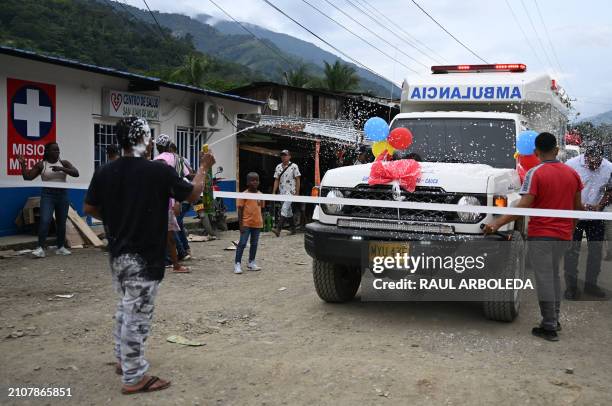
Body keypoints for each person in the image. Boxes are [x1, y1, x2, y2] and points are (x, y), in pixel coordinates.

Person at [84, 116, 214, 394]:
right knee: (137, 314)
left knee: (125, 308)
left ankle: (123, 360)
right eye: (150, 135)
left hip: (119, 255)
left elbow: (90, 207)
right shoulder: (157, 171)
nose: (153, 140)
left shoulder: (104, 171)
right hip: (144, 256)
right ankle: (134, 377)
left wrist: (118, 218)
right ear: (143, 139)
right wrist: (204, 167)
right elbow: (193, 194)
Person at [483, 132, 582, 342]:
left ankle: (549, 326)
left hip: (542, 237)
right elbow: (578, 208)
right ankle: (554, 319)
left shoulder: (535, 174)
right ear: (557, 150)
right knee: (554, 276)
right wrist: (570, 230)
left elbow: (523, 207)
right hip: (564, 236)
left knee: (545, 278)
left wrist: (496, 224)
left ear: (536, 152)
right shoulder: (572, 174)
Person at [564, 141, 612, 299]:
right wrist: (579, 205)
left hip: (596, 216)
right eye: (591, 162)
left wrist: (600, 205)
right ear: (586, 156)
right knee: (572, 251)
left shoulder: (609, 167)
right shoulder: (571, 165)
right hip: (575, 216)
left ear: (601, 158)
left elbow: (610, 190)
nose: (594, 166)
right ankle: (571, 287)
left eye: (597, 163)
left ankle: (591, 285)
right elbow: (563, 190)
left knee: (596, 252)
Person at [17, 142, 80, 258]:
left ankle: (61, 247)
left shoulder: (64, 163)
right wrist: (23, 164)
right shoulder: (42, 165)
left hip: (63, 195)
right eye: (54, 150)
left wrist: (61, 168)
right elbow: (28, 177)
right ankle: (40, 248)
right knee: (45, 220)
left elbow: (76, 173)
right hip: (48, 195)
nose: (57, 152)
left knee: (61, 222)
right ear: (47, 152)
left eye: (58, 150)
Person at [154, 134, 191, 273]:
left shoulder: (155, 161)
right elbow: (186, 177)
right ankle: (177, 259)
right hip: (172, 201)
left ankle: (173, 258)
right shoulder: (178, 159)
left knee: (164, 234)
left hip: (158, 202)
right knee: (171, 234)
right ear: (169, 146)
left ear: (157, 147)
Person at [169, 142, 195, 260]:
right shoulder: (182, 160)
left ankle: (182, 252)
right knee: (178, 224)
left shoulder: (176, 160)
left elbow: (189, 175)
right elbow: (190, 174)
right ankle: (185, 249)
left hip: (180, 198)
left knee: (175, 226)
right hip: (183, 196)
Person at [234, 172, 264, 274]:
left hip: (257, 224)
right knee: (242, 243)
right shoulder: (243, 195)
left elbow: (261, 209)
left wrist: (261, 221)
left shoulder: (261, 195)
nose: (255, 182)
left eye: (256, 180)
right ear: (247, 182)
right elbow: (240, 210)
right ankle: (237, 264)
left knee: (254, 244)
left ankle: (251, 262)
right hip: (246, 223)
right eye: (252, 180)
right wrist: (241, 225)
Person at [272, 150, 301, 237]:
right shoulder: (278, 167)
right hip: (282, 192)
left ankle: (278, 229)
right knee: (288, 212)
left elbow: (298, 179)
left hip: (291, 192)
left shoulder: (294, 166)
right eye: (282, 155)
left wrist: (297, 192)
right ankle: (293, 229)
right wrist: (274, 192)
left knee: (284, 209)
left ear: (289, 156)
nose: (284, 157)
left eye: (285, 155)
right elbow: (276, 180)